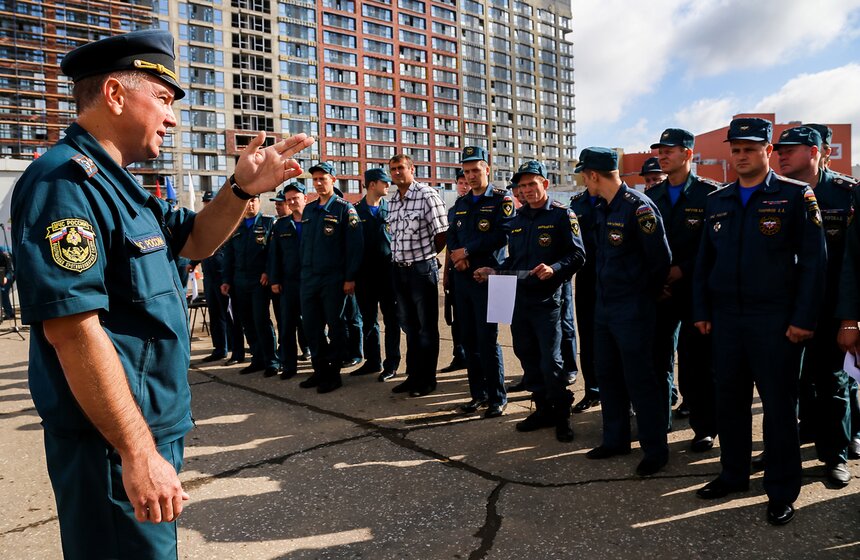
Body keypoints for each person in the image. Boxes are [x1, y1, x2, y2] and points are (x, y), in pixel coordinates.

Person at [9, 28, 314, 559]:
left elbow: (194, 239)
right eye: (164, 100)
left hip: (146, 427)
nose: (172, 118)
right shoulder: (65, 183)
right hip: (110, 440)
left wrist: (240, 190)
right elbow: (72, 330)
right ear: (115, 94)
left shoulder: (121, 184)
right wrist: (136, 451)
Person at [692, 117, 826, 526]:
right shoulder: (719, 200)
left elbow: (815, 264)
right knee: (729, 403)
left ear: (768, 151)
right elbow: (704, 263)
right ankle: (733, 474)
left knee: (779, 408)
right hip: (727, 321)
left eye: (750, 148)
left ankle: (782, 489)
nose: (741, 155)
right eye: (736, 149)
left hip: (776, 321)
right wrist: (701, 311)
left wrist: (804, 318)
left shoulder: (795, 195)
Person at [578, 147, 672, 477]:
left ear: (594, 175)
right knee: (607, 374)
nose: (583, 181)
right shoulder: (604, 207)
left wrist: (642, 295)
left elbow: (660, 259)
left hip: (632, 309)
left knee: (640, 379)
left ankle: (655, 449)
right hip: (605, 306)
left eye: (583, 175)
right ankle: (615, 438)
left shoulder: (639, 208)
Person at [476, 160, 586, 440]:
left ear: (544, 184)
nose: (527, 190)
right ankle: (542, 409)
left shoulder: (563, 215)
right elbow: (515, 260)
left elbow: (578, 255)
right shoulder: (518, 219)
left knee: (552, 361)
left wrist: (554, 269)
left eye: (532, 184)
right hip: (518, 299)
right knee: (527, 356)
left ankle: (562, 415)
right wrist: (494, 271)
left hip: (547, 301)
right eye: (522, 186)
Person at [774, 125, 854, 486]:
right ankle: (792, 443)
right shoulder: (775, 194)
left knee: (832, 383)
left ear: (817, 152)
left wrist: (851, 317)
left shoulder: (846, 194)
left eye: (792, 149)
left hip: (831, 307)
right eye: (780, 149)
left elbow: (855, 261)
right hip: (786, 307)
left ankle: (835, 455)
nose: (782, 155)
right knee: (791, 384)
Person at [647, 128, 720, 450]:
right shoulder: (653, 196)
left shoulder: (710, 195)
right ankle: (658, 422)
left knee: (696, 363)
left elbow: (716, 247)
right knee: (657, 359)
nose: (662, 155)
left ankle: (704, 426)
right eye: (660, 150)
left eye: (669, 150)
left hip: (696, 292)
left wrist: (683, 270)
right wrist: (657, 279)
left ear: (688, 154)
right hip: (661, 291)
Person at [447, 146, 512, 418]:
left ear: (487, 169)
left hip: (493, 280)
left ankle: (497, 397)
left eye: (476, 170)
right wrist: (457, 257)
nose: (471, 176)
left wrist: (468, 251)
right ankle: (478, 394)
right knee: (469, 340)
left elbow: (503, 234)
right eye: (467, 171)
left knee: (488, 340)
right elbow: (452, 236)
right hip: (463, 280)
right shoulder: (460, 204)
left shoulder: (501, 199)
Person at [298, 162, 363, 393]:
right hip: (309, 278)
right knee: (311, 327)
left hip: (333, 279)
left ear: (333, 180)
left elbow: (355, 247)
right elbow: (304, 245)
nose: (318, 183)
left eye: (322, 179)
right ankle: (319, 370)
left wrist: (350, 278)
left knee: (336, 326)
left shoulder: (345, 209)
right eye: (314, 179)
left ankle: (333, 374)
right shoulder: (309, 209)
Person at [388, 154, 448, 397]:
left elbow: (442, 233)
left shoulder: (426, 195)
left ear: (412, 169)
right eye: (393, 169)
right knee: (409, 327)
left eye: (401, 168)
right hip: (399, 269)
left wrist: (427, 256)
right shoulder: (393, 200)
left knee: (426, 328)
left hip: (421, 270)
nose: (397, 173)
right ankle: (412, 376)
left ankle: (427, 379)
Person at [220, 194, 279, 378]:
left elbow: (273, 253)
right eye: (246, 201)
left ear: (259, 202)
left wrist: (268, 272)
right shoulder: (235, 226)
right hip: (239, 282)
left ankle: (272, 361)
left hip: (259, 281)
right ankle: (257, 359)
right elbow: (229, 256)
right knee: (247, 323)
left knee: (261, 321)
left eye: (253, 200)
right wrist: (226, 280)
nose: (249, 205)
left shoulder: (269, 223)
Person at [352, 168, 401, 382]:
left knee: (391, 320)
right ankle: (373, 361)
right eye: (384, 182)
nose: (388, 185)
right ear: (372, 184)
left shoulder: (391, 210)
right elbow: (349, 248)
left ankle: (391, 364)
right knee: (369, 320)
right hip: (365, 277)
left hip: (388, 275)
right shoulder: (354, 212)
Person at [268, 183, 311, 380]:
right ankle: (289, 366)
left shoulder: (315, 221)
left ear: (305, 198)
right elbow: (274, 256)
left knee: (313, 326)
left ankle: (319, 365)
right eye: (289, 199)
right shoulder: (281, 226)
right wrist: (275, 280)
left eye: (296, 198)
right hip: (289, 283)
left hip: (312, 281)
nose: (293, 202)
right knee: (286, 327)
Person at [568, 188, 601, 412]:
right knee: (588, 338)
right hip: (587, 276)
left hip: (615, 276)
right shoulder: (577, 203)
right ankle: (592, 391)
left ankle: (623, 397)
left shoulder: (615, 198)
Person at [198, 190, 232, 362]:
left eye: (210, 202)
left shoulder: (226, 222)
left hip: (222, 276)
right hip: (209, 276)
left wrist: (227, 278)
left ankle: (233, 345)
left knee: (228, 313)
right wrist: (192, 263)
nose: (207, 205)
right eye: (205, 202)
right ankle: (220, 348)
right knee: (215, 314)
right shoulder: (203, 223)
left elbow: (229, 252)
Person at [441, 168, 469, 374]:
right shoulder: (453, 210)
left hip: (478, 271)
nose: (464, 185)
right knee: (457, 319)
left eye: (466, 181)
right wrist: (446, 274)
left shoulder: (490, 205)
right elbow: (449, 245)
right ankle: (459, 356)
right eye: (460, 182)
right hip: (456, 271)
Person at [0, 245, 14, 320]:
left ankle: (9, 313)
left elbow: (9, 268)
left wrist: (6, 277)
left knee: (3, 291)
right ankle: (9, 312)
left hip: (10, 273)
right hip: (2, 274)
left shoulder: (4, 253)